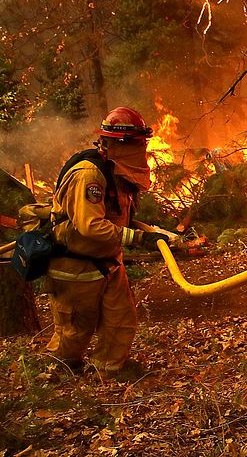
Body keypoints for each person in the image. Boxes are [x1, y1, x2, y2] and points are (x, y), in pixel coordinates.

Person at [44, 106, 169, 375]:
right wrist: (139, 239)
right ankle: (64, 370)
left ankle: (110, 370)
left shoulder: (118, 172)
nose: (140, 150)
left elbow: (117, 215)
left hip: (109, 262)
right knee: (76, 328)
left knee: (121, 320)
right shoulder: (89, 175)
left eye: (141, 143)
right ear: (113, 144)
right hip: (77, 266)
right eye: (135, 144)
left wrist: (157, 234)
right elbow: (90, 226)